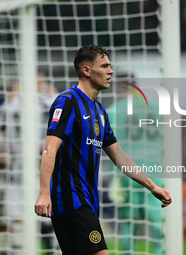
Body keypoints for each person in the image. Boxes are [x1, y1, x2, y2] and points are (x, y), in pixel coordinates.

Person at [34, 45, 172, 255]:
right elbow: (49, 149)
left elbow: (119, 157)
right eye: (105, 66)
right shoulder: (68, 102)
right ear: (87, 70)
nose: (111, 71)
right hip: (71, 200)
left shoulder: (99, 111)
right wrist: (44, 193)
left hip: (88, 200)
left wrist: (152, 186)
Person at [0, 75, 58, 255]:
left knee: (23, 216)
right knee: (27, 216)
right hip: (32, 167)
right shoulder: (49, 102)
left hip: (25, 166)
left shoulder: (10, 104)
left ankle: (18, 250)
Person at [107, 73, 164, 255]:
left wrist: (113, 176)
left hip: (128, 172)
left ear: (119, 87)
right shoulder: (155, 108)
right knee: (156, 220)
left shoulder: (114, 111)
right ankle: (160, 251)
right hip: (155, 168)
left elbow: (111, 147)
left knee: (128, 222)